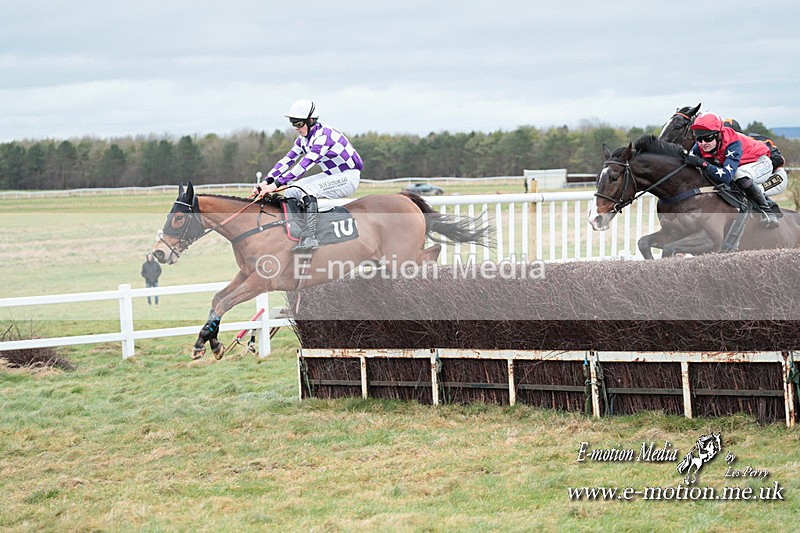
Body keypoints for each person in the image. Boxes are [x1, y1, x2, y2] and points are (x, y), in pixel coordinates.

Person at [252, 99, 363, 253]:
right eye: (293, 123)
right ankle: (296, 232)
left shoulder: (324, 136)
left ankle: (310, 237)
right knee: (291, 191)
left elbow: (304, 165)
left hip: (348, 177)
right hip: (331, 175)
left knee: (305, 190)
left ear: (311, 121)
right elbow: (287, 160)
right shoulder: (303, 140)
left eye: (298, 123)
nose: (296, 128)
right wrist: (266, 182)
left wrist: (276, 185)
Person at [683, 112, 780, 229]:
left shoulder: (733, 142)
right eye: (699, 138)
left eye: (708, 138)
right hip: (741, 163)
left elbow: (726, 176)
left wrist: (702, 163)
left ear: (718, 134)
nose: (703, 143)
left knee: (739, 174)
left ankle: (768, 211)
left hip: (761, 162)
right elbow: (688, 160)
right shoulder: (702, 143)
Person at [722, 118, 788, 198]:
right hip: (751, 179)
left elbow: (778, 159)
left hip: (776, 176)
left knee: (749, 191)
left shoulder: (755, 141)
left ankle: (767, 209)